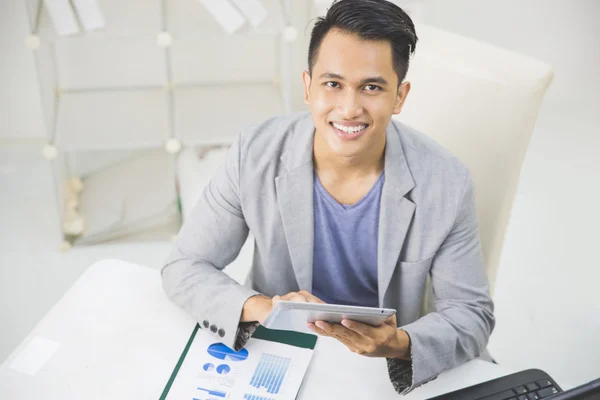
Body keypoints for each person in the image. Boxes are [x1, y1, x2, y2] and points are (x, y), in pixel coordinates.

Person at [162, 0, 495, 394]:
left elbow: (471, 315)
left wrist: (399, 343)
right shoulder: (254, 153)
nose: (349, 108)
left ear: (400, 97)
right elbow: (184, 266)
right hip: (279, 351)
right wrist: (266, 310)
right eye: (332, 84)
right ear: (308, 87)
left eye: (372, 87)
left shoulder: (446, 182)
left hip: (380, 369)